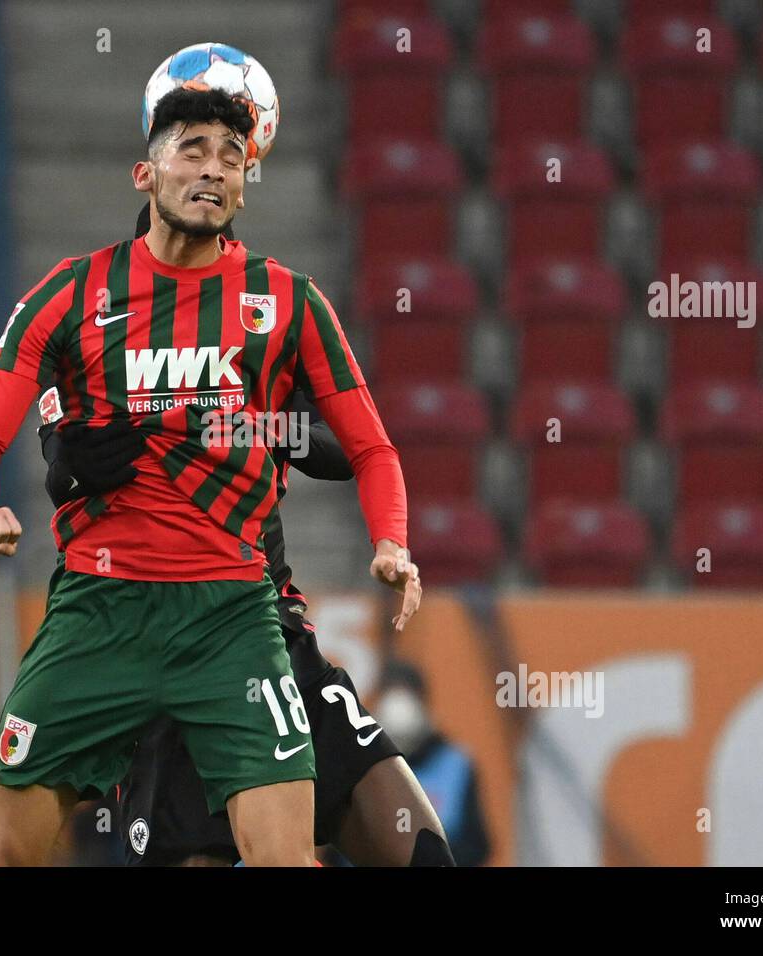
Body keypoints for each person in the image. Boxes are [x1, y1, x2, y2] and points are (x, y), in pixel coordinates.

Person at [0, 86, 420, 866]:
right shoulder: (68, 295)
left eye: (231, 159)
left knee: (284, 857)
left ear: (244, 184)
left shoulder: (289, 301)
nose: (213, 170)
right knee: (8, 849)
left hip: (233, 618)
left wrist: (392, 542)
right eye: (192, 150)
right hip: (99, 610)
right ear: (146, 173)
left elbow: (370, 449)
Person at [38, 209, 452, 866]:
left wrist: (253, 430)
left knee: (420, 850)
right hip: (155, 650)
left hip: (270, 635)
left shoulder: (259, 341)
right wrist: (84, 461)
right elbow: (59, 471)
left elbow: (348, 448)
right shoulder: (86, 338)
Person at [374, 663, 493, 866]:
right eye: (391, 693)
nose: (398, 707)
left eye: (406, 694)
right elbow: (338, 849)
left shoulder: (456, 765)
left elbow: (476, 846)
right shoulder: (362, 766)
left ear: (422, 702)